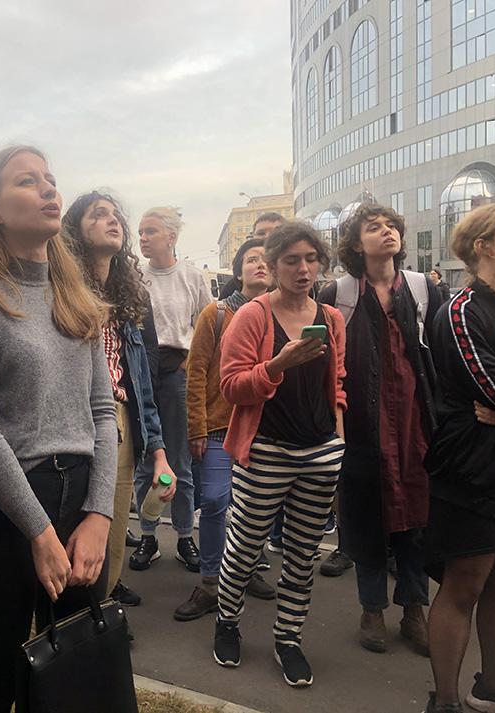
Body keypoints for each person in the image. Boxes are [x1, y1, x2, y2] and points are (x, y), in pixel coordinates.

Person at [0, 146, 118, 713]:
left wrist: (100, 514)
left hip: (79, 506)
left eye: (50, 179)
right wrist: (40, 532)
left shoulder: (78, 298)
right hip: (1, 515)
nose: (47, 190)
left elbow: (104, 412)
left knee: (74, 687)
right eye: (27, 181)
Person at [214, 221, 346, 688]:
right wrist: (277, 365)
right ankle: (227, 620)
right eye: (292, 260)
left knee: (302, 555)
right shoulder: (252, 315)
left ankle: (288, 638)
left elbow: (338, 382)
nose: (304, 268)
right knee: (245, 547)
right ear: (272, 266)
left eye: (311, 259)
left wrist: (338, 438)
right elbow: (230, 387)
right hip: (266, 452)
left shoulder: (331, 318)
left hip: (320, 453)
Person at [423, 204, 495, 713]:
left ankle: (494, 684)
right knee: (465, 584)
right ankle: (446, 700)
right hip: (474, 466)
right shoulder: (461, 309)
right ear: (484, 246)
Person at [319, 204, 441, 656]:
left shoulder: (423, 287)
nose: (387, 232)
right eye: (375, 228)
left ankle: (414, 608)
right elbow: (324, 363)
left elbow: (440, 355)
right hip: (361, 427)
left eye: (392, 226)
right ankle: (372, 609)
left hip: (414, 423)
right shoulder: (339, 293)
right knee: (365, 517)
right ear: (355, 243)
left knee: (416, 517)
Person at [62, 190, 175, 609]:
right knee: (72, 522)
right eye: (98, 215)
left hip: (122, 419)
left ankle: (100, 607)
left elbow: (143, 381)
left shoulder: (131, 297)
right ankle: (77, 613)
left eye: (115, 216)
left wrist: (159, 450)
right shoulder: (63, 290)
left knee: (110, 526)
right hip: (75, 422)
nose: (112, 221)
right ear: (76, 229)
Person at [174, 237, 275, 621]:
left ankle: (243, 572)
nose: (260, 264)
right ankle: (210, 583)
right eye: (251, 259)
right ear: (238, 271)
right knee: (215, 501)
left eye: (266, 259)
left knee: (255, 509)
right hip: (218, 427)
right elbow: (196, 370)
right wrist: (196, 427)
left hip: (265, 429)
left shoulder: (279, 315)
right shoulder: (215, 314)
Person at [130, 206, 211, 572]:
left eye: (150, 231)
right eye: (141, 232)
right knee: (147, 459)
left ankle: (183, 537)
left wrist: (189, 361)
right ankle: (148, 535)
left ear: (171, 237)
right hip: (143, 370)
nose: (143, 238)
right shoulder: (135, 278)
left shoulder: (193, 276)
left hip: (177, 371)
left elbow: (208, 326)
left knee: (179, 460)